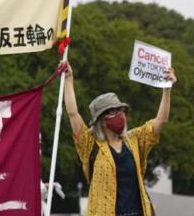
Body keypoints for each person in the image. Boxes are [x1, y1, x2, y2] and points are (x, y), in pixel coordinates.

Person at [62, 61, 176, 216]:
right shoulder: (90, 143)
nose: (120, 114)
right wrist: (69, 80)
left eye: (121, 110)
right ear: (101, 120)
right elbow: (73, 114)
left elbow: (160, 120)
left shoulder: (134, 139)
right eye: (113, 111)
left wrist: (167, 90)